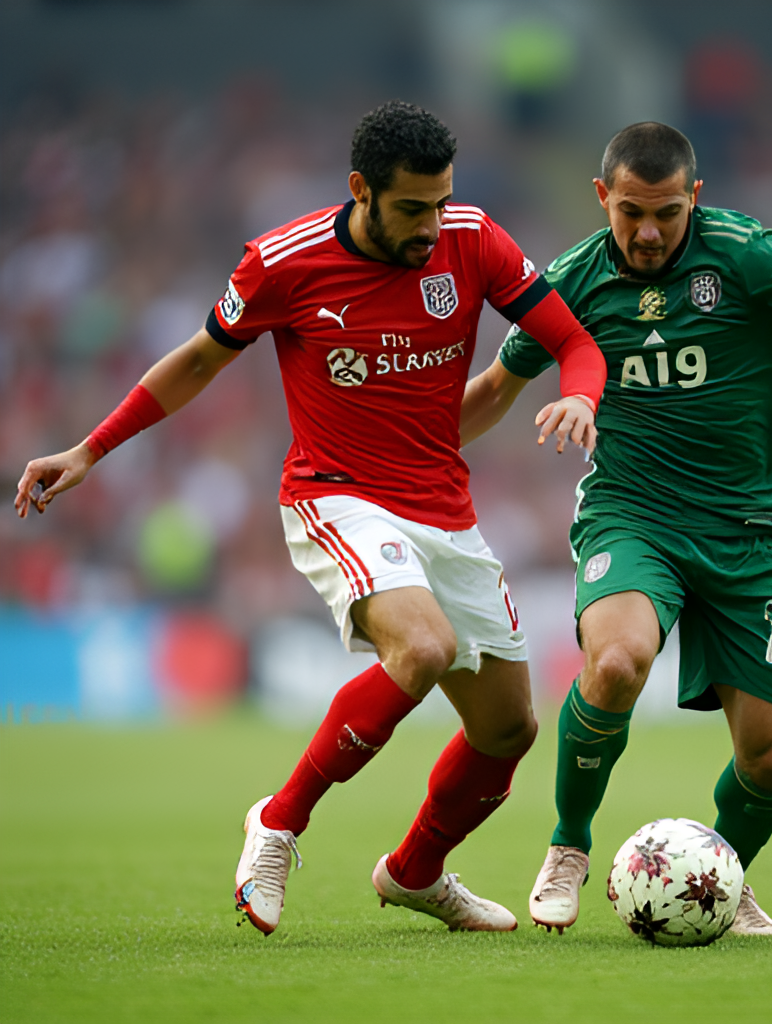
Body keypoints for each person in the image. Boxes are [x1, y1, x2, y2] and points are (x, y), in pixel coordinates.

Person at [15, 101, 607, 936]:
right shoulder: (284, 262)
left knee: (508, 727)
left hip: (443, 504)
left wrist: (581, 397)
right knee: (423, 647)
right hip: (337, 494)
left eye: (441, 202)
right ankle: (278, 821)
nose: (431, 226)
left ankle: (414, 873)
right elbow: (197, 361)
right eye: (412, 208)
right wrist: (90, 449)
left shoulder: (473, 238)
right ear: (362, 190)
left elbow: (575, 342)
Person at [461, 122, 772, 936]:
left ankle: (720, 874)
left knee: (771, 755)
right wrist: (396, 454)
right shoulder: (572, 279)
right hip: (633, 515)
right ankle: (568, 844)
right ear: (602, 197)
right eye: (630, 212)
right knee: (616, 662)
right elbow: (497, 386)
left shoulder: (745, 255)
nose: (647, 232)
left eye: (667, 213)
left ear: (694, 198)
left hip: (752, 529)